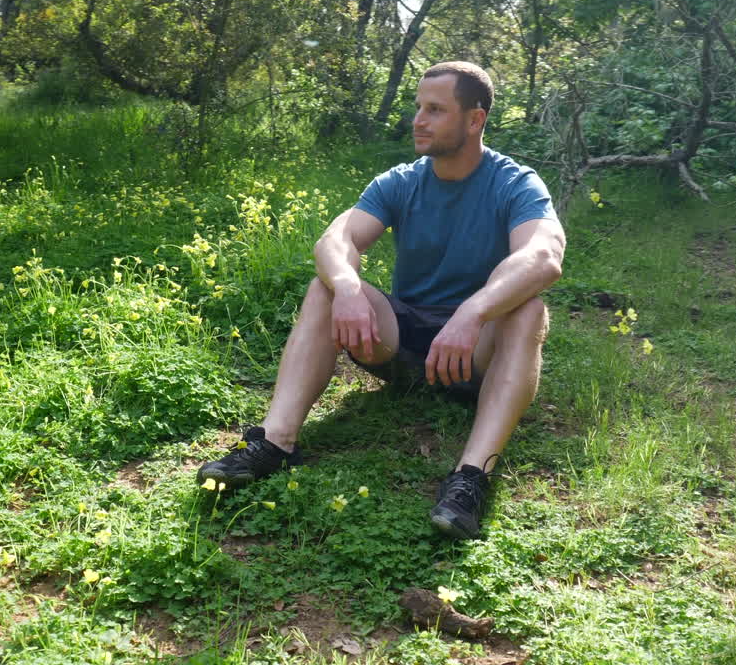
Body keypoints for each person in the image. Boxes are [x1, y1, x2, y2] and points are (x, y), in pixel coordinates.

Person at [197, 61, 565, 539]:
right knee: (324, 286)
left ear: (475, 120)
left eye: (435, 109)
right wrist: (348, 286)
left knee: (529, 308)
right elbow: (336, 239)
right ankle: (276, 442)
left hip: (474, 356)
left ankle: (471, 477)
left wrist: (474, 311)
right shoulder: (402, 180)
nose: (418, 119)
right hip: (401, 347)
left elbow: (543, 255)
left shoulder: (515, 183)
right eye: (418, 107)